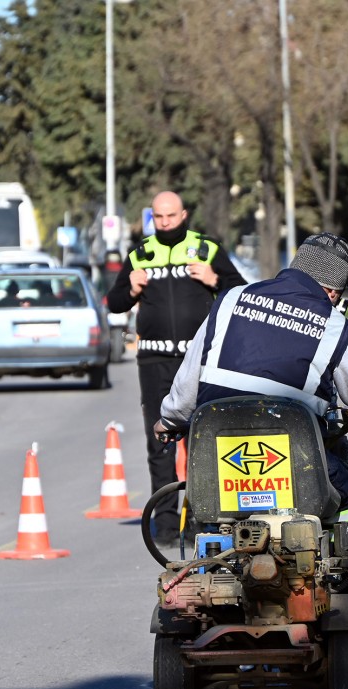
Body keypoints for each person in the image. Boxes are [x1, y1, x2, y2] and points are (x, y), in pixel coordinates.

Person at [153, 233, 348, 589]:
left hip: (218, 462)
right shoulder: (332, 326)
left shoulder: (230, 300)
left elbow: (188, 382)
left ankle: (212, 571)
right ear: (333, 292)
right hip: (298, 465)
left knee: (213, 518)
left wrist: (169, 420)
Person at [106, 190, 246, 546]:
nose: (165, 223)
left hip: (198, 361)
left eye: (171, 216)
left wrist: (215, 280)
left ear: (183, 215)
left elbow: (239, 293)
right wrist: (131, 288)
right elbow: (115, 302)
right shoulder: (140, 254)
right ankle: (166, 524)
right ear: (152, 218)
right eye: (159, 217)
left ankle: (201, 521)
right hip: (153, 361)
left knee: (202, 441)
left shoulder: (207, 248)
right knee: (161, 442)